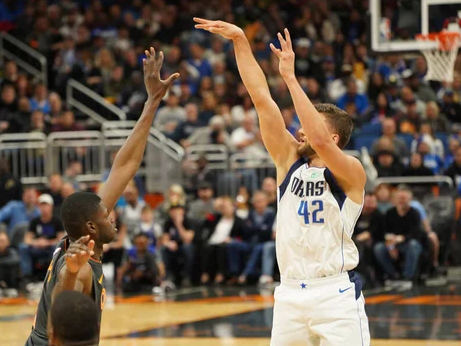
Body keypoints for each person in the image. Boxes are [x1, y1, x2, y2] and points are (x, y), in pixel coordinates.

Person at [194, 19, 370, 344]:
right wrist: (240, 41)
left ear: (333, 136)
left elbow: (319, 139)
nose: (300, 130)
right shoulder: (289, 160)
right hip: (289, 293)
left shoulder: (351, 171)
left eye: (308, 124)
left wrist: (289, 77)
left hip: (335, 293)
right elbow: (261, 99)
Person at [25, 47, 179, 346]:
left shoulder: (82, 236)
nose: (113, 215)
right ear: (92, 227)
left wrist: (152, 102)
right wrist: (69, 275)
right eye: (106, 215)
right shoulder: (80, 267)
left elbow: (124, 167)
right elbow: (59, 312)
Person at [373, 186, 424, 284]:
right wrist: (390, 245)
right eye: (399, 198)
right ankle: (394, 276)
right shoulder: (389, 213)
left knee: (413, 245)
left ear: (410, 200)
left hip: (409, 243)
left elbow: (416, 233)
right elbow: (384, 232)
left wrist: (401, 239)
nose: (402, 201)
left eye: (404, 198)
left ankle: (407, 277)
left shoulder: (414, 213)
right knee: (379, 248)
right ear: (394, 200)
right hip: (393, 243)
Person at [19, 194, 65, 281]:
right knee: (23, 248)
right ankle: (27, 277)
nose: (44, 208)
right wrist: (36, 242)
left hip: (51, 248)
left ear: (51, 207)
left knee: (56, 249)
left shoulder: (57, 221)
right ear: (38, 207)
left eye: (46, 205)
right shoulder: (34, 221)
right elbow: (27, 239)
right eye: (42, 205)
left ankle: (53, 275)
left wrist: (47, 243)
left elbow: (60, 240)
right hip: (37, 248)